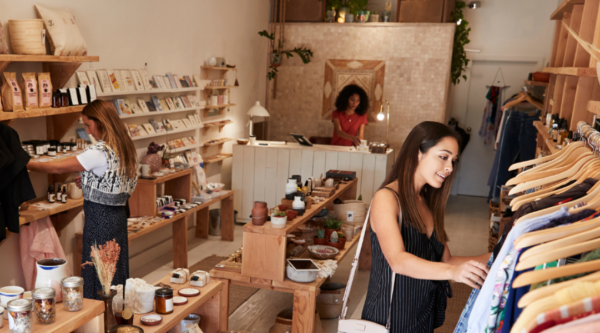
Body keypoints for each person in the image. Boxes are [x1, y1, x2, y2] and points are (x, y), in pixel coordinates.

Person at [361, 121, 491, 332]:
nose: (449, 167)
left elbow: (447, 259)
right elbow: (398, 261)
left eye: (453, 160)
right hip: (390, 319)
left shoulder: (426, 202)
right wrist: (453, 272)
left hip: (422, 316)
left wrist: (498, 255)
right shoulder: (386, 198)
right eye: (443, 157)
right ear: (417, 153)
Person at [27, 100, 138, 300]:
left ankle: (97, 321)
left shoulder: (98, 151)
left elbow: (57, 168)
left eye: (88, 125)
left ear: (100, 121)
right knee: (114, 268)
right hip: (117, 218)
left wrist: (25, 163)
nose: (88, 131)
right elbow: (116, 178)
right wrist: (88, 180)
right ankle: (115, 317)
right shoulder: (124, 145)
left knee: (99, 270)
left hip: (99, 220)